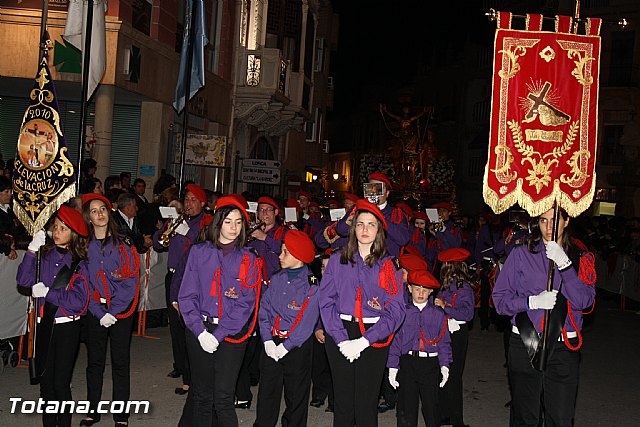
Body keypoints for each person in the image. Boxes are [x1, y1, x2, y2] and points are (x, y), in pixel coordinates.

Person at [493, 207, 596, 427]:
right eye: (543, 220)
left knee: (560, 419)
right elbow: (500, 301)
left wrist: (565, 265)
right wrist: (530, 302)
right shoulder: (521, 254)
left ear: (567, 221)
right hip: (526, 341)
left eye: (555, 220)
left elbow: (584, 302)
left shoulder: (580, 257)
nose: (549, 227)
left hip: (562, 347)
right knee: (525, 417)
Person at [319, 199, 405, 427]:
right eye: (360, 224)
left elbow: (396, 310)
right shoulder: (337, 259)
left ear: (379, 231)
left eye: (371, 225)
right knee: (343, 404)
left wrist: (364, 341)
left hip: (373, 333)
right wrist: (340, 338)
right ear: (353, 228)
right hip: (341, 331)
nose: (365, 229)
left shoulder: (388, 265)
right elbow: (326, 301)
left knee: (366, 405)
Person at [178, 196, 262, 427]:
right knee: (202, 397)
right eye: (228, 221)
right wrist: (200, 331)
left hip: (231, 334)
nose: (234, 228)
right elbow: (187, 295)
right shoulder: (198, 252)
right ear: (218, 223)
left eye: (238, 222)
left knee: (223, 397)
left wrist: (219, 333)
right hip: (199, 330)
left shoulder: (249, 259)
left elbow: (246, 304)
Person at [17, 206, 89, 427]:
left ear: (74, 234)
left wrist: (49, 293)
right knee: (46, 383)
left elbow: (79, 302)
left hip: (66, 327)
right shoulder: (43, 257)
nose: (57, 232)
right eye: (55, 227)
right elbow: (23, 280)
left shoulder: (79, 264)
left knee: (60, 383)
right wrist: (31, 252)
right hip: (43, 325)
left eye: (64, 229)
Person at [81, 194, 140, 427]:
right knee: (94, 362)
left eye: (103, 209)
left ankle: (121, 413)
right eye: (94, 211)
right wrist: (99, 311)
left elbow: (130, 281)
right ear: (89, 217)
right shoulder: (83, 247)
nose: (100, 214)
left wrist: (113, 312)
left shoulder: (124, 245)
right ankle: (92, 411)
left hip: (120, 311)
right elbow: (84, 283)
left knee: (120, 361)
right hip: (96, 311)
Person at [254, 230, 319, 427]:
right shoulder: (276, 278)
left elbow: (307, 323)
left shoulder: (312, 286)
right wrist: (266, 340)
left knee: (296, 394)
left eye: (285, 252)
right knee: (267, 391)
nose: (280, 256)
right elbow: (264, 310)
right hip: (272, 341)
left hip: (296, 346)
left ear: (299, 256)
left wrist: (286, 347)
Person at [153, 183, 209, 386]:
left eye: (193, 200)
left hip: (192, 279)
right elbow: (159, 243)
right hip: (173, 275)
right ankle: (180, 365)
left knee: (189, 325)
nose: (189, 204)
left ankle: (191, 373)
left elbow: (201, 244)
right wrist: (166, 228)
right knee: (175, 325)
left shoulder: (206, 223)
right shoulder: (179, 220)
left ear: (202, 203)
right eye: (186, 200)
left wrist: (184, 230)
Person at [387, 269, 452, 427]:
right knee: (406, 407)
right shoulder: (403, 313)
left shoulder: (438, 314)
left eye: (425, 290)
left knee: (431, 407)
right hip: (408, 362)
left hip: (430, 365)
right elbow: (396, 342)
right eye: (417, 289)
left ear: (431, 292)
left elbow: (444, 342)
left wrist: (445, 365)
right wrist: (392, 367)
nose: (420, 293)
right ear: (409, 288)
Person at [434, 247, 475, 427]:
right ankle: (444, 413)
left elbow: (467, 314)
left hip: (457, 333)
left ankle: (457, 419)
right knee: (442, 373)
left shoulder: (463, 288)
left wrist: (445, 307)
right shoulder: (446, 285)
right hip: (444, 332)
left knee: (454, 376)